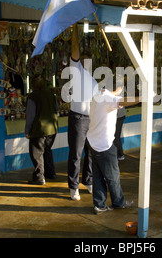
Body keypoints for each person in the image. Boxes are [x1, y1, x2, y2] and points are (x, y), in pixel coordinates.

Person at [87, 86, 138, 214]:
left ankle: (99, 205)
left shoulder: (97, 95)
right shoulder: (108, 99)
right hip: (104, 144)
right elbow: (124, 101)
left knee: (98, 175)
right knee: (113, 176)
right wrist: (143, 98)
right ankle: (118, 203)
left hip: (93, 142)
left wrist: (115, 92)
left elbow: (110, 94)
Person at [65, 24, 98, 201]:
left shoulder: (94, 81)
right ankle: (73, 186)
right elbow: (75, 49)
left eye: (88, 60)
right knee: (76, 154)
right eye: (82, 60)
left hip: (90, 119)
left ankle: (88, 180)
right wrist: (75, 28)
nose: (85, 62)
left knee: (90, 154)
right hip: (77, 119)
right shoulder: (76, 71)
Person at [24, 77, 58, 185]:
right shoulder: (51, 94)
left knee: (36, 153)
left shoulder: (33, 97)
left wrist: (27, 130)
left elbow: (30, 116)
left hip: (39, 129)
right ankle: (50, 173)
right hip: (52, 128)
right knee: (47, 150)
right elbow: (56, 107)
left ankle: (39, 177)